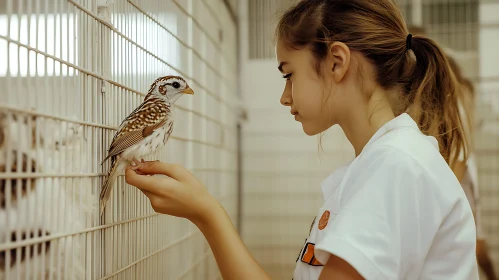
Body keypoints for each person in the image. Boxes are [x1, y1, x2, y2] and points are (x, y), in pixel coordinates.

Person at [124, 1, 479, 279]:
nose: (284, 96)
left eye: (289, 74)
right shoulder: (379, 164)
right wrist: (206, 213)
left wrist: (207, 214)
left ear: (337, 62)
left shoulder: (396, 167)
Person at [447, 54, 497, 280]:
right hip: (459, 178)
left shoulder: (455, 101)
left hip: (460, 180)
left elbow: (459, 158)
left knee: (475, 246)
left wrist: (441, 195)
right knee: (477, 246)